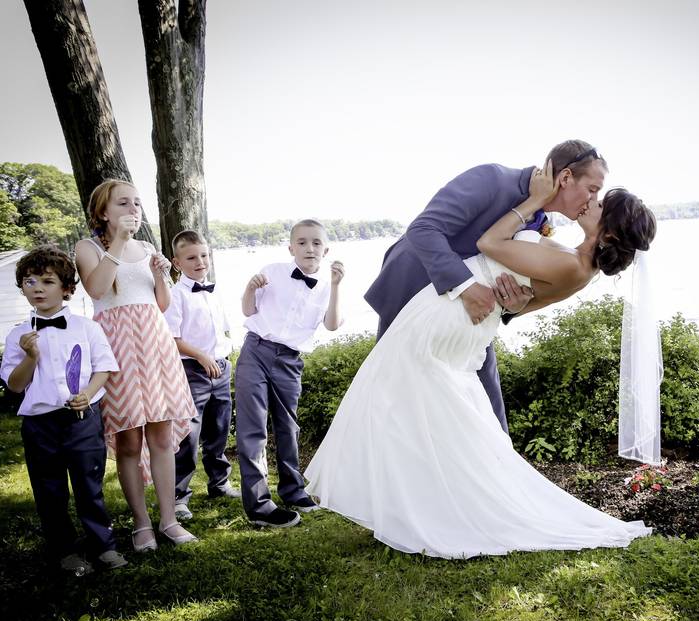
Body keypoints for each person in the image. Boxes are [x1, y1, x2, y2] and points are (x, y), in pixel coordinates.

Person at [304, 163, 658, 558]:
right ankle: (423, 504)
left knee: (402, 402)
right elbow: (520, 305)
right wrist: (519, 298)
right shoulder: (577, 261)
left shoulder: (573, 264)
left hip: (455, 316)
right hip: (463, 315)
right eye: (593, 192)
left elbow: (490, 243)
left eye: (600, 202)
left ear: (608, 232)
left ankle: (428, 509)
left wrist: (533, 203)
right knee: (433, 413)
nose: (592, 201)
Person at [365, 139, 607, 433]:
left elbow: (507, 277)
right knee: (394, 401)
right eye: (593, 189)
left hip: (469, 318)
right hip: (414, 292)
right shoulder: (493, 179)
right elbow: (423, 229)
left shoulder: (540, 219)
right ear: (566, 177)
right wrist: (467, 288)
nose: (593, 199)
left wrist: (514, 307)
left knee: (489, 413)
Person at [74, 180, 198, 551]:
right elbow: (97, 290)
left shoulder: (146, 248)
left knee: (161, 435)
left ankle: (169, 520)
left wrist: (161, 274)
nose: (133, 209)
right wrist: (117, 244)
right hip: (116, 347)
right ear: (103, 212)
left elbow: (160, 304)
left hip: (155, 344)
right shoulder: (88, 247)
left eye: (137, 203)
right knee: (129, 439)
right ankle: (141, 524)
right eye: (124, 203)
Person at [1, 246, 128, 574]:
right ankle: (65, 550)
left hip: (81, 418)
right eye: (29, 282)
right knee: (49, 490)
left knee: (89, 485)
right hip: (40, 424)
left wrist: (87, 393)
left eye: (47, 281)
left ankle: (104, 546)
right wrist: (30, 356)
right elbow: (15, 385)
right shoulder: (18, 335)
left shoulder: (87, 327)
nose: (38, 288)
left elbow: (104, 367)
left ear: (67, 288)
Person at [235, 219, 345, 528]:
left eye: (316, 243)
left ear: (326, 249)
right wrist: (249, 288)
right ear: (291, 247)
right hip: (256, 351)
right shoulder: (272, 271)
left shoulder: (326, 286)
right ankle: (258, 506)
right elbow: (248, 311)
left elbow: (333, 324)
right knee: (253, 429)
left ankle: (292, 490)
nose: (309, 248)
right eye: (302, 242)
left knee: (288, 426)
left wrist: (336, 286)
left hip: (289, 360)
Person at [163, 230, 240, 523]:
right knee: (187, 435)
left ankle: (219, 484)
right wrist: (201, 356)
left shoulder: (214, 290)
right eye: (192, 257)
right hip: (193, 371)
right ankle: (179, 496)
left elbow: (222, 329)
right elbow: (172, 337)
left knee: (219, 430)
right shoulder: (176, 295)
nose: (200, 261)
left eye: (204, 255)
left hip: (221, 368)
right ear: (177, 262)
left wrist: (225, 353)